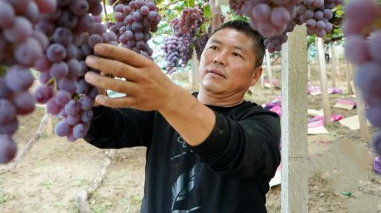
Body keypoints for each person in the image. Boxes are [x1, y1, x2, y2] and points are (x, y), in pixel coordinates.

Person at [83, 20, 281, 212]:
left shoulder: (264, 123)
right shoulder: (161, 111)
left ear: (255, 75)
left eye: (236, 54)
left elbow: (232, 148)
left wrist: (169, 97)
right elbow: (106, 131)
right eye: (213, 48)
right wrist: (93, 97)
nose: (219, 58)